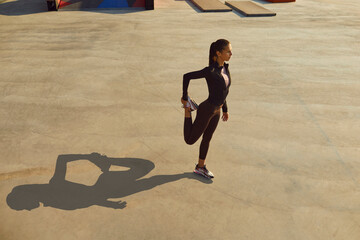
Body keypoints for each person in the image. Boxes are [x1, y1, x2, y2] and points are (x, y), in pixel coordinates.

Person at [181, 39, 232, 179]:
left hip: (217, 111)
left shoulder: (226, 68)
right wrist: (185, 96)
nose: (231, 53)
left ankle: (200, 167)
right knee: (190, 140)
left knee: (207, 138)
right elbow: (187, 76)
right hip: (207, 109)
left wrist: (225, 109)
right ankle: (188, 110)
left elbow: (224, 91)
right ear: (219, 53)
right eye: (228, 51)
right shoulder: (210, 71)